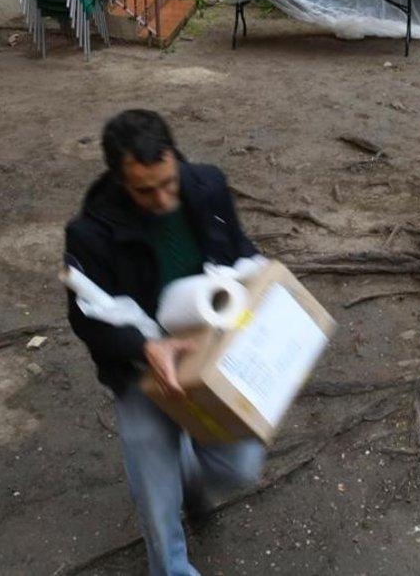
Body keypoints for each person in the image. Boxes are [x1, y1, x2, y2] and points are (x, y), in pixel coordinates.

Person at [64, 110, 265, 576]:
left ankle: (190, 474)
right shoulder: (89, 233)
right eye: (145, 190)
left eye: (168, 183)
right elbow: (84, 316)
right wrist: (142, 347)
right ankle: (171, 568)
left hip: (208, 355)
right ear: (119, 179)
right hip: (141, 370)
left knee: (240, 466)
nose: (162, 199)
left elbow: (236, 249)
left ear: (175, 158)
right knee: (156, 496)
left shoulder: (207, 185)